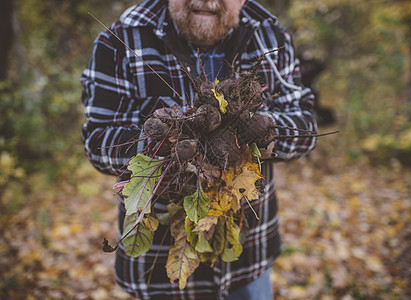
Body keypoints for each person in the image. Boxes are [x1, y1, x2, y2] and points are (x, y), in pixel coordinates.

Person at [81, 0, 317, 299]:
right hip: (158, 263)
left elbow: (306, 127)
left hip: (248, 258)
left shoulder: (271, 36)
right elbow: (99, 140)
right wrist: (167, 143)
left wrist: (249, 130)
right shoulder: (121, 39)